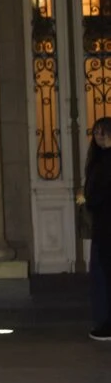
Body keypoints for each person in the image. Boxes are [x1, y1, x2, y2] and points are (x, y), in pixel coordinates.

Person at [82, 116, 111, 340]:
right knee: (102, 271)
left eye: (104, 132)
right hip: (102, 224)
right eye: (97, 132)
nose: (100, 136)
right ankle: (104, 319)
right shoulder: (97, 159)